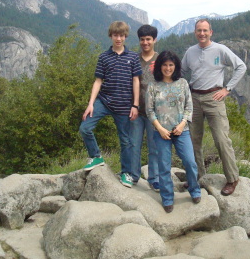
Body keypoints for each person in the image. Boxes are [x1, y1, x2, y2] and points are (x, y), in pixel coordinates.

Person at [181, 19, 247, 196]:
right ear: (195, 32)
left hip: (214, 97)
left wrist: (227, 89)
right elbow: (181, 71)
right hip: (194, 98)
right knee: (194, 141)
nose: (202, 34)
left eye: (205, 30)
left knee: (221, 139)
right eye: (198, 31)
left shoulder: (220, 50)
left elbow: (241, 66)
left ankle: (232, 179)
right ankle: (197, 177)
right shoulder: (190, 52)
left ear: (211, 32)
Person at [79, 21, 142, 188]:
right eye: (116, 35)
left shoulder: (133, 57)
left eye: (121, 35)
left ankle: (126, 173)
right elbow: (98, 81)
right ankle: (96, 156)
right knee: (85, 128)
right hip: (104, 101)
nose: (119, 38)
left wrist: (135, 105)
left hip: (124, 105)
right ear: (111, 36)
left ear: (125, 36)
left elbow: (136, 81)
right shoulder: (104, 57)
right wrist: (90, 104)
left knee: (125, 141)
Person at [146, 50, 201, 213]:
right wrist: (160, 128)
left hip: (181, 131)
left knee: (190, 162)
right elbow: (149, 111)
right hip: (161, 132)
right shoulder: (153, 86)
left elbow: (189, 107)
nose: (168, 68)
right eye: (164, 65)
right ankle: (167, 198)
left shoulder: (183, 83)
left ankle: (195, 190)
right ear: (159, 66)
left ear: (175, 66)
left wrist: (182, 123)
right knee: (163, 166)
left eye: (171, 65)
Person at [130, 24, 160, 191]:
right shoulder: (134, 59)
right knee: (134, 144)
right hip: (136, 110)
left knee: (154, 146)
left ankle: (154, 178)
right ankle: (134, 176)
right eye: (142, 39)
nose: (145, 42)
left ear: (154, 40)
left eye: (148, 39)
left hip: (155, 112)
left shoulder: (160, 59)